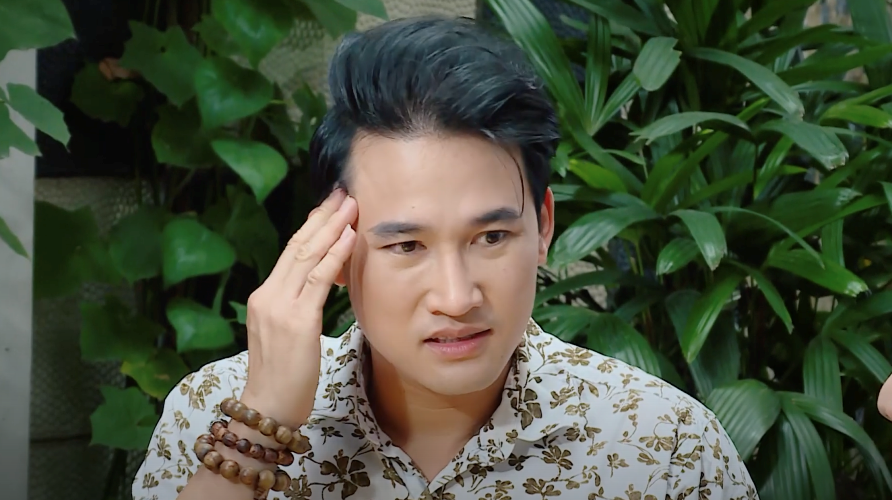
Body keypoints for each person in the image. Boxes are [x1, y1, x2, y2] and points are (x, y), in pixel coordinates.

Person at [132, 16, 757, 500]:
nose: (457, 298)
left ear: (543, 225)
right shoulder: (211, 412)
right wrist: (258, 429)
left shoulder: (665, 446)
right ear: (335, 245)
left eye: (492, 238)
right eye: (407, 245)